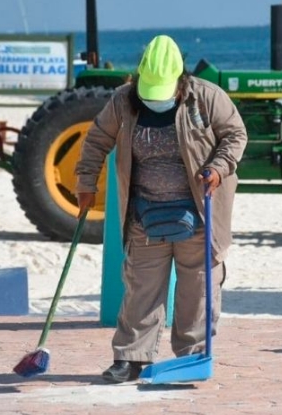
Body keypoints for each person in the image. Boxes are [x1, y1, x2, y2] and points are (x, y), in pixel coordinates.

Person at [74, 34, 247, 383]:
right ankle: (130, 358)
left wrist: (218, 166)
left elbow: (235, 134)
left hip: (200, 212)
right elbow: (96, 141)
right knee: (141, 289)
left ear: (179, 81)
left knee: (197, 288)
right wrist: (85, 183)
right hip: (145, 213)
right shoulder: (123, 100)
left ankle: (192, 355)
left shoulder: (207, 97)